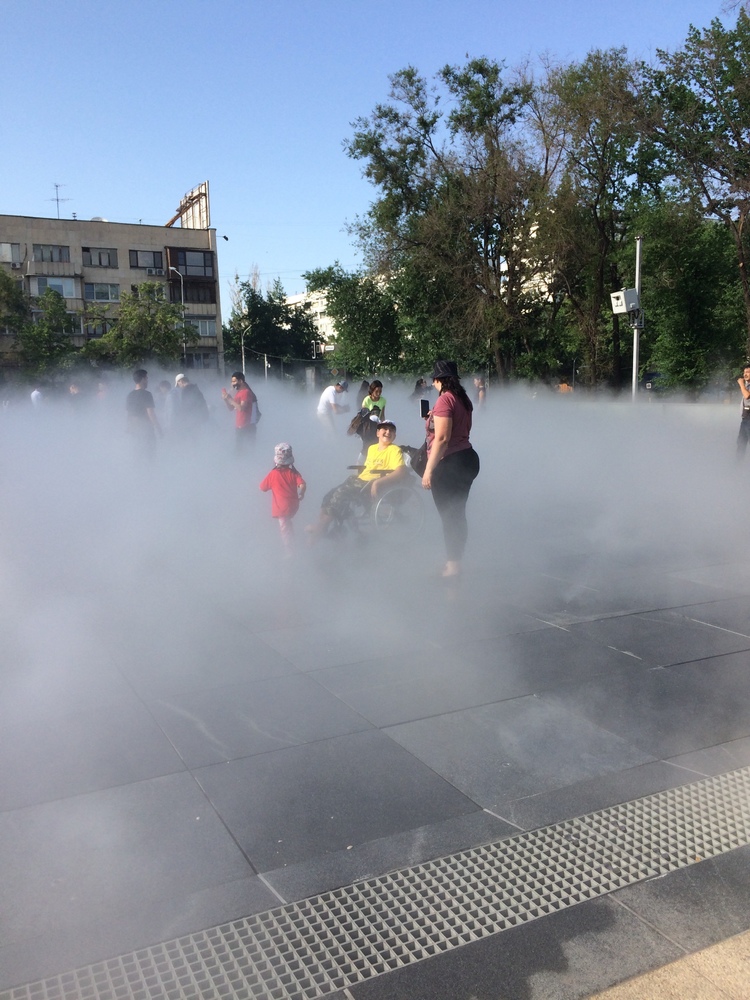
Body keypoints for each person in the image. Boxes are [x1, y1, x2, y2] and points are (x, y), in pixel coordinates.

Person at [422, 360, 480, 578]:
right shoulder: (463, 399)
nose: (433, 384)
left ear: (439, 380)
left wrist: (428, 470)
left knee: (449, 516)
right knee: (457, 513)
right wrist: (434, 417)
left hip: (450, 463)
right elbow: (462, 428)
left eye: (434, 380)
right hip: (467, 457)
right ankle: (455, 561)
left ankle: (454, 566)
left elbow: (443, 439)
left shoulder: (445, 399)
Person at [307, 420, 407, 538]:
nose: (388, 432)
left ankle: (320, 529)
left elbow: (401, 472)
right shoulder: (372, 448)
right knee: (329, 495)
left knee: (340, 494)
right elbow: (367, 467)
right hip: (359, 480)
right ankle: (322, 525)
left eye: (391, 430)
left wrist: (377, 483)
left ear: (394, 436)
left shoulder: (394, 450)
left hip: (372, 482)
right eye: (385, 429)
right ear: (378, 433)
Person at [260, 443, 306, 554]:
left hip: (281, 508)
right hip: (293, 506)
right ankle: (294, 541)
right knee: (288, 523)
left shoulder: (273, 474)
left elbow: (262, 488)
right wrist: (302, 493)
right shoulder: (294, 473)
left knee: (284, 529)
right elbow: (302, 484)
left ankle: (290, 551)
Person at [125, 368, 161, 461]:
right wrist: (159, 429)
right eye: (146, 378)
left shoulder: (130, 395)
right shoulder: (147, 394)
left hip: (135, 430)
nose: (147, 380)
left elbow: (129, 414)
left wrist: (129, 428)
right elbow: (151, 413)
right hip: (146, 430)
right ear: (142, 379)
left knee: (137, 455)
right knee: (149, 456)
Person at [222, 371, 258, 453]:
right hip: (239, 427)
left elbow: (241, 408)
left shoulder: (246, 392)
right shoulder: (238, 393)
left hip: (247, 427)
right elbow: (231, 408)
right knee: (239, 451)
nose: (232, 384)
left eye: (234, 381)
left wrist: (230, 399)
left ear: (241, 381)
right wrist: (226, 399)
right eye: (232, 381)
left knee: (246, 451)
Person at [171, 373, 209, 442]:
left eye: (178, 384)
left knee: (192, 441)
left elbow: (186, 406)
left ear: (181, 381)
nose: (179, 387)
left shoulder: (186, 390)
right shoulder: (196, 388)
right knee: (198, 440)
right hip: (199, 419)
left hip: (191, 421)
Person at [736, 365, 750, 459]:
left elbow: (747, 396)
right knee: (741, 443)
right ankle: (738, 464)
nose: (745, 374)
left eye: (748, 372)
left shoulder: (745, 386)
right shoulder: (747, 385)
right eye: (744, 372)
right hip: (745, 419)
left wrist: (741, 384)